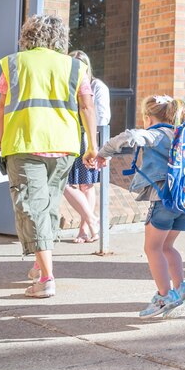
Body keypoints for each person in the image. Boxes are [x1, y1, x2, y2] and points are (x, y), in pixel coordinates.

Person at [0, 14, 99, 299]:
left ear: (28, 35)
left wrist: (0, 139)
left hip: (25, 143)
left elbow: (1, 106)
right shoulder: (76, 66)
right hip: (64, 145)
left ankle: (47, 277)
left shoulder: (14, 63)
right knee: (48, 206)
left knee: (32, 207)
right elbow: (88, 107)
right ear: (60, 38)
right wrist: (92, 146)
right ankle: (41, 267)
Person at [96, 96, 185, 319]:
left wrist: (103, 153)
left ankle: (164, 295)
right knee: (167, 246)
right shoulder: (183, 135)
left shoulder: (156, 133)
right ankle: (181, 287)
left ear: (148, 118)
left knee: (152, 248)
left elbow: (130, 137)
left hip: (164, 200)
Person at [63, 50, 110, 243]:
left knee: (86, 185)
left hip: (88, 139)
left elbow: (102, 117)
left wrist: (95, 145)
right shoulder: (65, 86)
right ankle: (92, 221)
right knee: (65, 183)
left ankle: (84, 229)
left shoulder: (96, 85)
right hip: (67, 137)